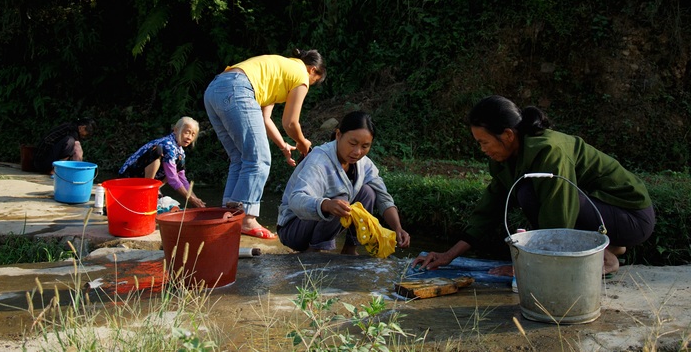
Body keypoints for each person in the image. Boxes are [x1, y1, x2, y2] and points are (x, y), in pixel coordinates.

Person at [412, 95, 655, 275]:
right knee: (525, 189)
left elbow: (560, 213)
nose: (482, 150)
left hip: (630, 216)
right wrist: (448, 255)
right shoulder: (507, 160)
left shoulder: (549, 151)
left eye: (484, 142)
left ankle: (605, 258)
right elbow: (489, 210)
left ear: (507, 135)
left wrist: (528, 268)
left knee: (528, 191)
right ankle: (609, 247)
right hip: (600, 212)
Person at [204, 49, 326, 239]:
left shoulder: (281, 69)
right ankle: (246, 218)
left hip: (215, 89)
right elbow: (291, 123)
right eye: (314, 81)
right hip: (238, 89)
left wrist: (283, 145)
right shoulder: (301, 75)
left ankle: (228, 216)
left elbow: (265, 118)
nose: (309, 86)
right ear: (312, 70)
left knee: (240, 159)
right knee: (258, 160)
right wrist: (302, 142)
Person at [277, 111, 411, 254]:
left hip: (320, 224)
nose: (357, 152)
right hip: (294, 229)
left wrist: (397, 228)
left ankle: (350, 248)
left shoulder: (364, 164)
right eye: (352, 143)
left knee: (368, 192)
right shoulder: (319, 160)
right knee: (341, 199)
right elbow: (296, 199)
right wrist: (326, 205)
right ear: (338, 135)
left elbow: (382, 196)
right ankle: (314, 251)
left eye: (365, 146)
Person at [119, 117, 206, 208]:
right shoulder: (167, 145)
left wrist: (195, 199)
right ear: (176, 130)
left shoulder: (180, 152)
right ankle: (149, 191)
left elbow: (182, 179)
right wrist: (190, 200)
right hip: (129, 177)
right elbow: (172, 179)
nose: (189, 137)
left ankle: (154, 190)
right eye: (187, 132)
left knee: (179, 162)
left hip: (144, 177)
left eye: (193, 134)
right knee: (157, 151)